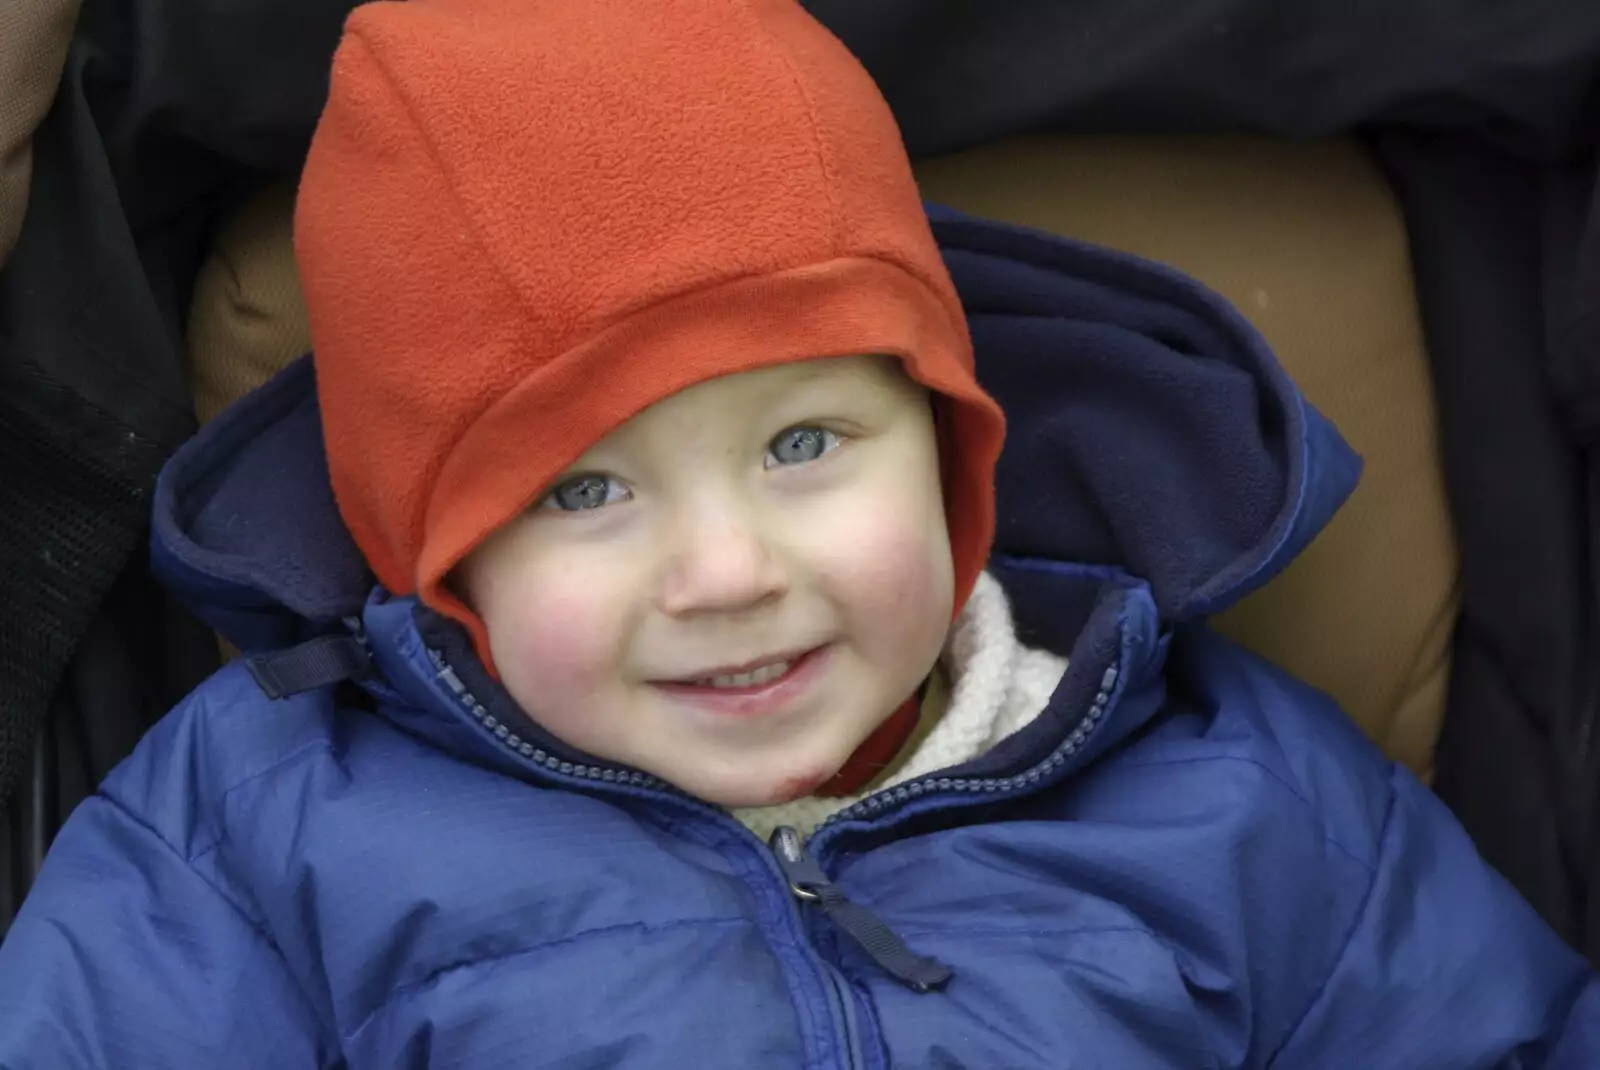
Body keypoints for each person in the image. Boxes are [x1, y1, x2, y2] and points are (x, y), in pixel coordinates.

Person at [1, 0, 1596, 1065]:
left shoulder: (1245, 797)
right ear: (436, 552)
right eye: (583, 489)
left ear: (954, 445)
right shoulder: (252, 840)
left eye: (805, 443)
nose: (730, 572)